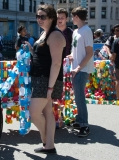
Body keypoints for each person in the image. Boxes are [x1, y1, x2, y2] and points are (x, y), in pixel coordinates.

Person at [25, 4, 66, 154]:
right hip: (40, 78)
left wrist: (50, 88)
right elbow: (43, 55)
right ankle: (49, 145)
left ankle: (45, 139)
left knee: (34, 113)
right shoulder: (45, 33)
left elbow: (56, 63)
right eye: (37, 16)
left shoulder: (55, 34)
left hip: (47, 80)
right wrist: (31, 49)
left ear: (51, 18)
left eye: (43, 16)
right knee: (48, 113)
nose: (39, 19)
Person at [67, 7, 94, 137]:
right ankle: (79, 120)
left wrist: (78, 67)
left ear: (77, 17)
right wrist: (71, 56)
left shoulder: (87, 31)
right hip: (76, 68)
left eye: (73, 16)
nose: (72, 19)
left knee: (80, 97)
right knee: (77, 97)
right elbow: (76, 50)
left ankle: (85, 125)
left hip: (81, 69)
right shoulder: (76, 31)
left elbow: (90, 53)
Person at [110, 27, 119, 100]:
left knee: (118, 81)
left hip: (118, 64)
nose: (115, 32)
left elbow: (114, 54)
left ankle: (118, 97)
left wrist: (112, 59)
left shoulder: (116, 41)